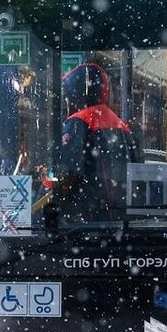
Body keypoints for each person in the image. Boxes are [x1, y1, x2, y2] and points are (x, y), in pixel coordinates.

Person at [53, 61, 140, 220]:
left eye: (67, 95)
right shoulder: (121, 125)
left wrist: (46, 190)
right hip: (121, 216)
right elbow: (138, 169)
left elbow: (65, 171)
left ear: (74, 93)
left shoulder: (78, 121)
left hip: (88, 216)